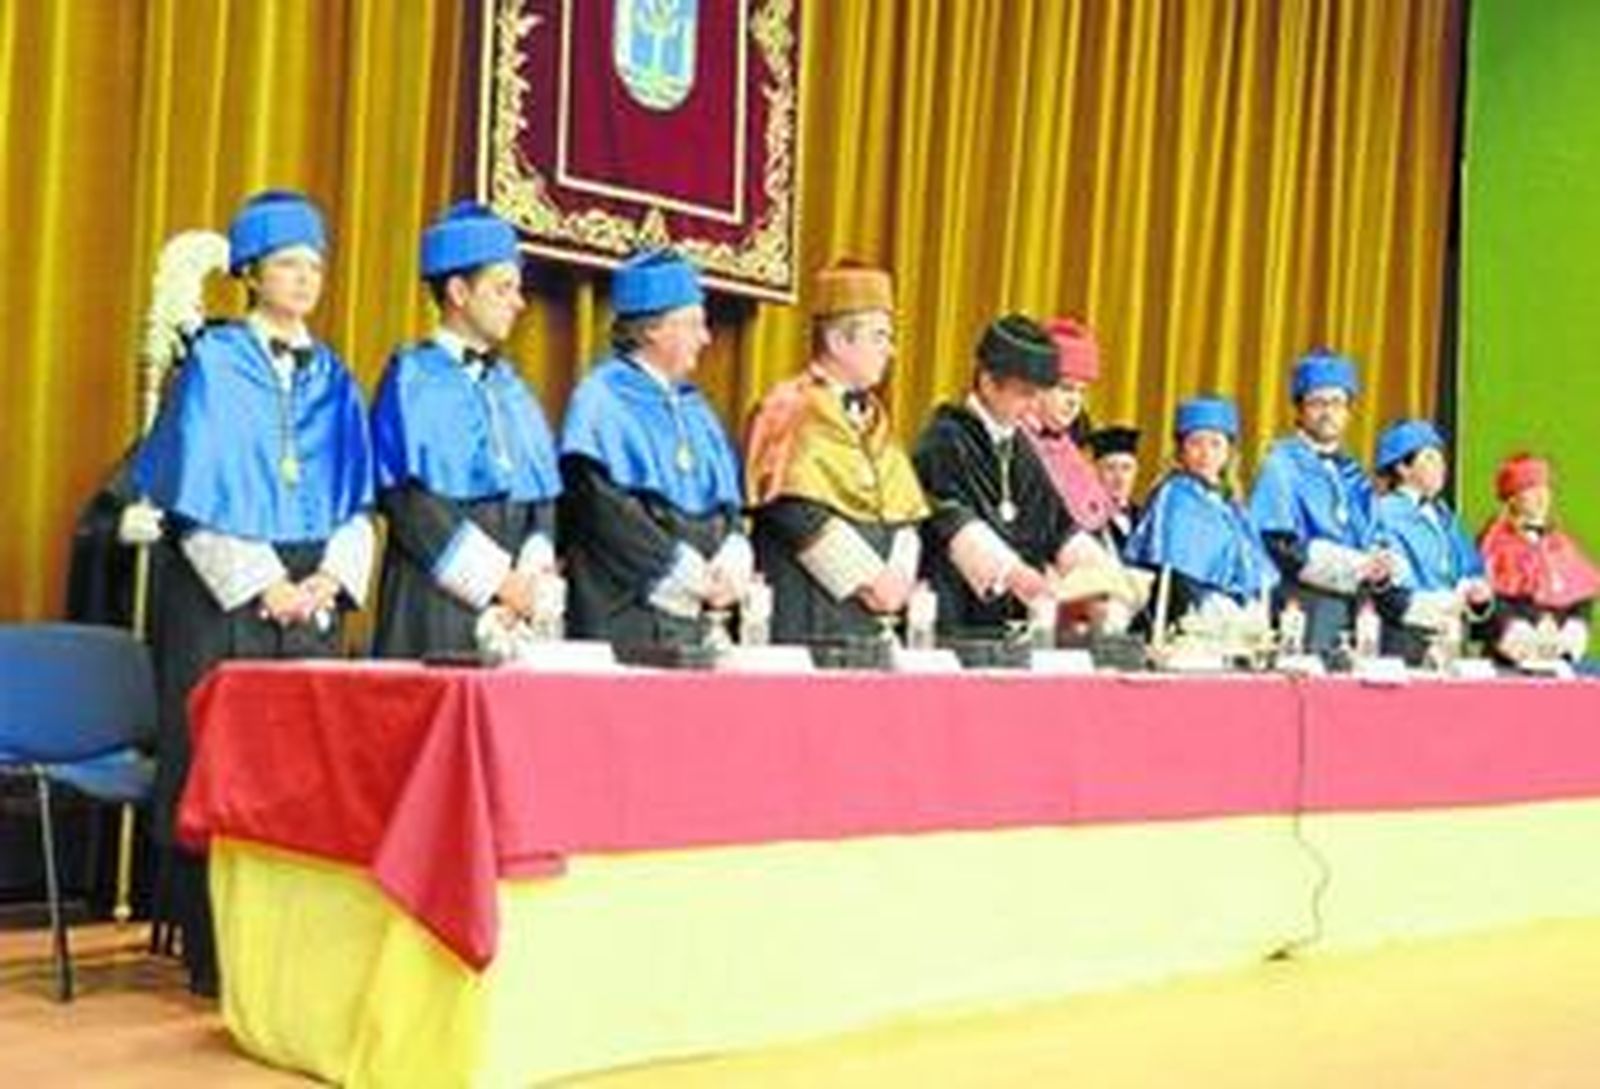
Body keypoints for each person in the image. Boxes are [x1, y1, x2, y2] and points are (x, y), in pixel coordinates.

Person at [132, 190, 375, 995]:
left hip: (310, 603)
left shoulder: (336, 375)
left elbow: (358, 498)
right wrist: (264, 583)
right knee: (222, 767)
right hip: (226, 603)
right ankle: (214, 954)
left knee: (304, 775)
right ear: (251, 273)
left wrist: (328, 580)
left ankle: (290, 954)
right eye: (287, 266)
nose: (305, 281)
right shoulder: (212, 362)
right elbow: (190, 493)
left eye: (314, 266)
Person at [369, 202, 562, 657]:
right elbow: (411, 506)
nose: (518, 302)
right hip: (436, 601)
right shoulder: (410, 377)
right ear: (458, 290)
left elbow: (541, 496)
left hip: (519, 609)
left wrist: (532, 571)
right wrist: (499, 581)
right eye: (503, 288)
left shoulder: (512, 385)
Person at [558, 250, 751, 643]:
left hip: (698, 616)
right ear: (652, 330)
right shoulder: (601, 398)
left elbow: (726, 503)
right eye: (695, 324)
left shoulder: (696, 408)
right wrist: (678, 568)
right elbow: (602, 508)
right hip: (625, 616)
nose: (706, 337)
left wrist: (734, 554)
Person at [744, 262, 929, 642]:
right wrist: (867, 580)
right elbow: (790, 507)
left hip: (874, 617)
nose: (890, 351)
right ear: (838, 341)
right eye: (879, 337)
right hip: (810, 614)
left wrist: (899, 572)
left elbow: (903, 507)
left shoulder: (877, 417)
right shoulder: (788, 405)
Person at [912, 314, 1078, 636]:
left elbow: (1056, 525)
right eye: (1025, 394)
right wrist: (1018, 576)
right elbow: (950, 520)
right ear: (988, 383)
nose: (1033, 408)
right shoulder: (944, 439)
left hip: (1008, 625)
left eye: (1037, 396)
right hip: (952, 623)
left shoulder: (1021, 448)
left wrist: (1097, 572)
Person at [1249, 349, 1394, 650]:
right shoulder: (1281, 464)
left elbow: (1373, 535)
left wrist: (1380, 563)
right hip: (1303, 603)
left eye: (1337, 403)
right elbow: (1278, 544)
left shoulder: (1353, 472)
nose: (1328, 412)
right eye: (1318, 403)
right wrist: (1351, 566)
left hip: (1358, 605)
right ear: (1299, 410)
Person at [1124, 396, 1278, 629]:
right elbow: (1175, 570)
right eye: (1196, 443)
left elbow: (1256, 570)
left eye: (1215, 443)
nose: (1206, 453)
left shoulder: (1233, 507)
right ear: (1181, 450)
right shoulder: (1173, 496)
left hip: (1238, 619)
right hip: (1189, 619)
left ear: (1228, 452)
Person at [1370, 420, 1492, 664]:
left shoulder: (1445, 517)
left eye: (1441, 459)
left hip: (1449, 636)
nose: (1441, 467)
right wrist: (1432, 606)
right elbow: (1381, 584)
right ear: (1403, 467)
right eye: (1430, 458)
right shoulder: (1381, 513)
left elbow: (1469, 570)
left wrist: (1477, 596)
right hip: (1401, 637)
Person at [1478, 453, 1599, 669]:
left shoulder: (1561, 543)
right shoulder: (1492, 543)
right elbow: (1488, 601)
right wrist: (1523, 631)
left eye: (1545, 489)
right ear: (1513, 498)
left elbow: (1582, 595)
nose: (1542, 497)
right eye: (1531, 490)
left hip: (1560, 655)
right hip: (1510, 660)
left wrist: (1573, 628)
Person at [1087, 424, 1142, 553]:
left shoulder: (1145, 518)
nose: (1120, 478)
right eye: (1110, 468)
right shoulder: (1085, 519)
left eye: (1126, 468)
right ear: (1095, 472)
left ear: (1136, 472)